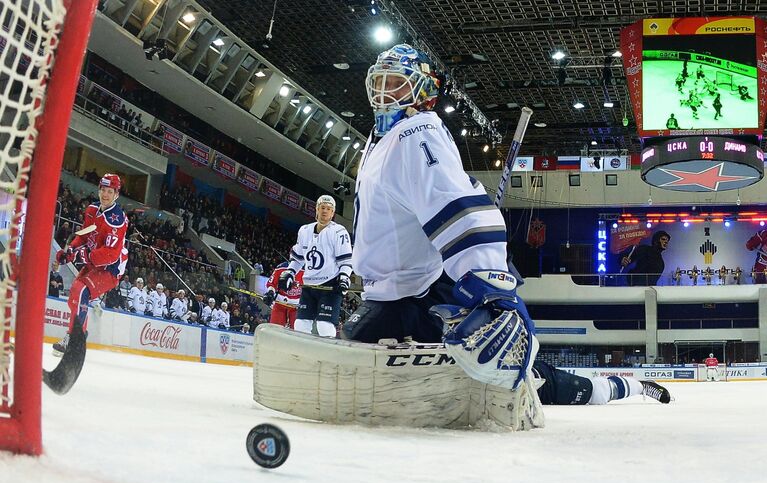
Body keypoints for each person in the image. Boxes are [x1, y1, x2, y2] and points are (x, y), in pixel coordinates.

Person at [340, 43, 672, 407]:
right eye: (381, 81)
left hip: (416, 295)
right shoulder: (380, 138)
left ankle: (611, 388)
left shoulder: (416, 132)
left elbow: (459, 211)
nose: (385, 91)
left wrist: (489, 286)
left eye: (397, 82)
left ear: (424, 91)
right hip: (393, 292)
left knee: (516, 378)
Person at [53, 173, 128, 356]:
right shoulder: (92, 210)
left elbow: (110, 254)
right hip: (94, 262)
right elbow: (84, 236)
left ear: (116, 194)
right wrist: (70, 251)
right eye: (103, 190)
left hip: (110, 268)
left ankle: (74, 339)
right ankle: (79, 337)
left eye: (110, 191)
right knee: (74, 298)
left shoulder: (117, 220)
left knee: (80, 291)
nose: (105, 194)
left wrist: (82, 255)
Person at [280, 195, 352, 338]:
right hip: (309, 286)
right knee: (300, 324)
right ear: (317, 210)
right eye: (322, 208)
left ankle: (329, 356)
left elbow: (345, 260)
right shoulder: (304, 231)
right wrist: (289, 273)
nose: (325, 211)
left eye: (329, 209)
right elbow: (298, 258)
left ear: (333, 213)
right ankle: (301, 356)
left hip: (330, 285)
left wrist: (344, 277)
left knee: (324, 325)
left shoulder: (339, 232)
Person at [263, 262, 303, 328]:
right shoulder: (281, 267)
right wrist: (270, 293)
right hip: (280, 304)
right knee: (275, 329)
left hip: (297, 306)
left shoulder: (308, 269)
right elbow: (272, 284)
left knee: (297, 331)